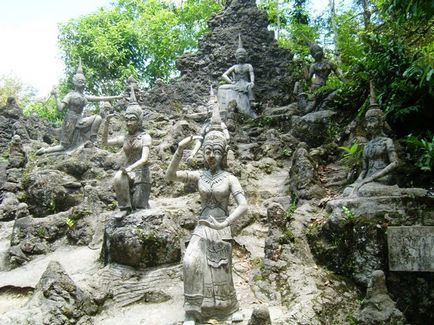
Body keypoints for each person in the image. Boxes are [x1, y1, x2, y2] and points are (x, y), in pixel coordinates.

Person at [166, 104, 248, 324]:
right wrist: (180, 150)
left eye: (217, 151)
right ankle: (192, 311)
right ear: (203, 152)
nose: (211, 155)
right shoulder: (199, 175)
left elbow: (244, 205)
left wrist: (226, 223)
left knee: (222, 268)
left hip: (222, 225)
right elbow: (171, 175)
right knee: (190, 261)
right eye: (208, 151)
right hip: (202, 226)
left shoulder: (230, 178)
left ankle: (229, 310)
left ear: (223, 155)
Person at [37, 61, 121, 155]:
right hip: (70, 121)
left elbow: (100, 98)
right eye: (81, 82)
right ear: (75, 82)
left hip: (80, 120)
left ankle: (93, 142)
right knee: (64, 146)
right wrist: (56, 96)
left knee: (97, 118)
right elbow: (60, 108)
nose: (83, 84)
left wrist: (117, 97)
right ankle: (45, 150)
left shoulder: (84, 96)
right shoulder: (70, 95)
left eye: (84, 82)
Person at [102, 87, 152, 219]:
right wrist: (106, 123)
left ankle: (142, 203)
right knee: (118, 176)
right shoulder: (124, 138)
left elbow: (145, 159)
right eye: (127, 119)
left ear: (139, 120)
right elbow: (105, 142)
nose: (129, 123)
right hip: (128, 173)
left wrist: (130, 168)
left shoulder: (145, 137)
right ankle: (124, 208)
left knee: (139, 207)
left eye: (132, 119)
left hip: (142, 174)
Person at [343, 107, 398, 197]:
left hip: (382, 177)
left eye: (372, 121)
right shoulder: (367, 145)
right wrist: (359, 180)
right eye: (367, 122)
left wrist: (373, 177)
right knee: (347, 191)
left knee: (365, 191)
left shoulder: (387, 141)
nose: (369, 125)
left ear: (381, 122)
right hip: (368, 178)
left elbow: (395, 163)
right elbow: (365, 169)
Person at [218, 34, 256, 118]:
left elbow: (251, 74)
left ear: (246, 56)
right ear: (236, 57)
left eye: (242, 54)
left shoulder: (248, 66)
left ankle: (252, 103)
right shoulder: (234, 67)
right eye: (239, 54)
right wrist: (230, 81)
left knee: (250, 87)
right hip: (236, 84)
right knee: (221, 87)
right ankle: (222, 108)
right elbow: (224, 75)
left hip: (246, 84)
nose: (241, 56)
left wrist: (252, 82)